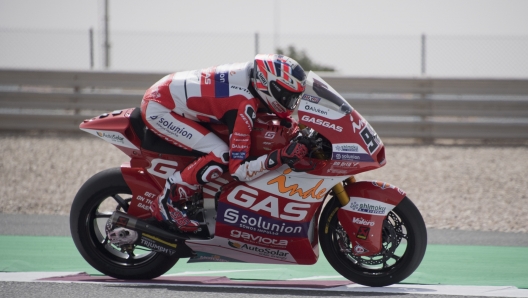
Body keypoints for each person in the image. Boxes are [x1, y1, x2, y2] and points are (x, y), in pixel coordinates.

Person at [141, 54, 308, 232]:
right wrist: (280, 155)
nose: (291, 103)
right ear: (270, 86)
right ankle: (167, 203)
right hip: (160, 108)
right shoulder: (243, 102)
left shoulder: (251, 77)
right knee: (222, 154)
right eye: (288, 97)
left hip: (168, 92)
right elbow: (239, 170)